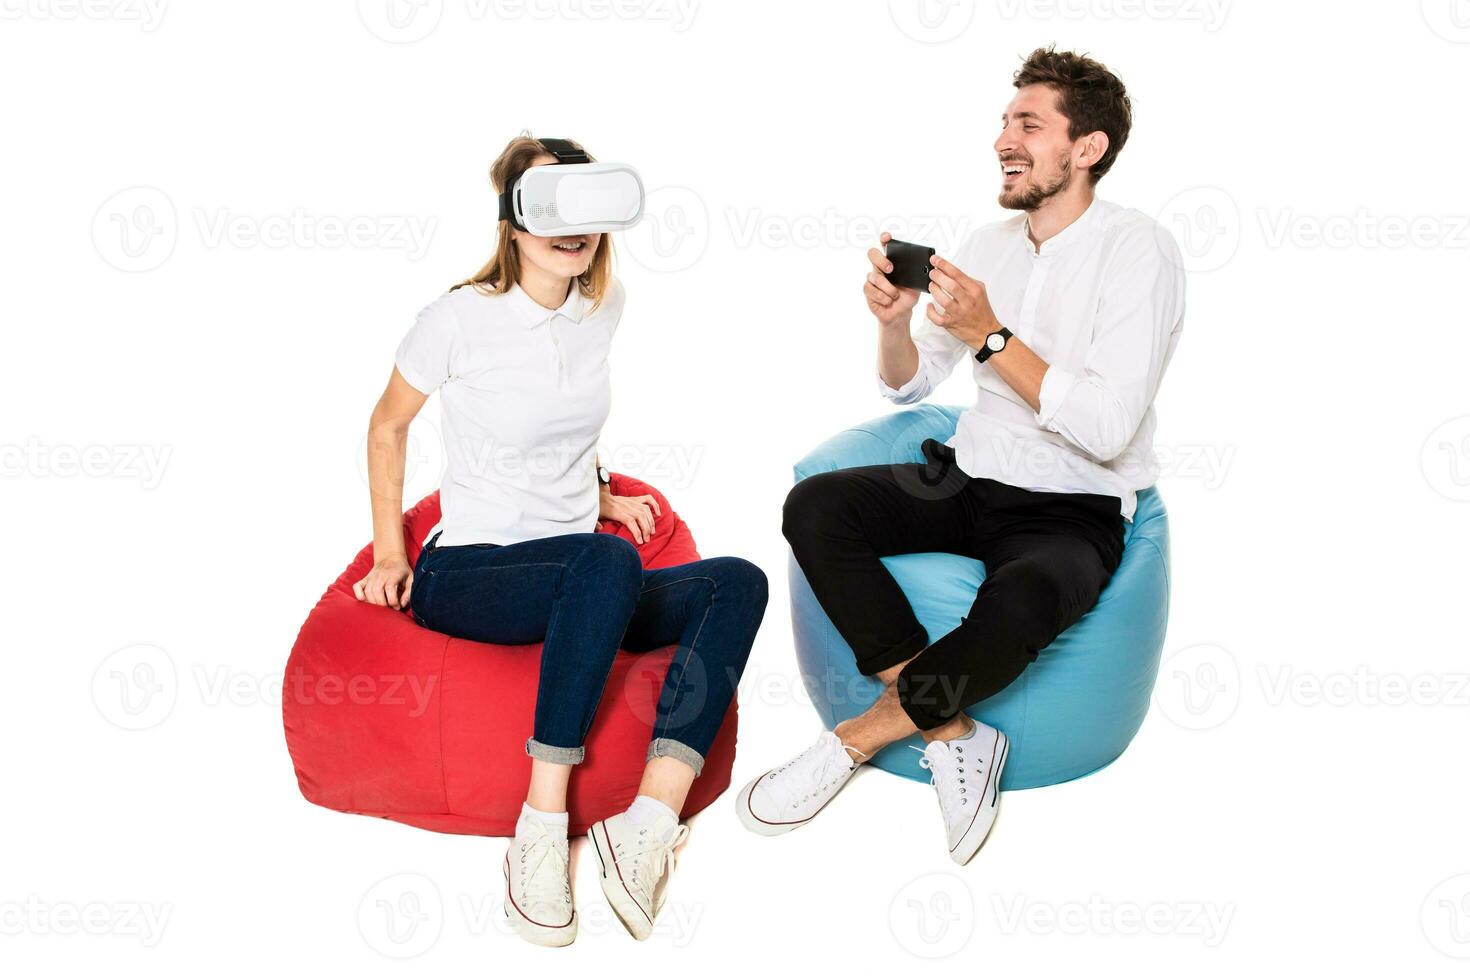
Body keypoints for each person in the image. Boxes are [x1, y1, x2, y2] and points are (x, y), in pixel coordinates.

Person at [736, 47, 1185, 865]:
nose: (1002, 141)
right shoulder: (990, 241)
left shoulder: (1139, 251)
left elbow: (1109, 425)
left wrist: (990, 332)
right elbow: (909, 389)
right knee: (815, 506)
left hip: (1074, 505)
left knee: (1022, 605)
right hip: (968, 476)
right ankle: (953, 732)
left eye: (1027, 124)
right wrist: (893, 322)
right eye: (1004, 122)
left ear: (1086, 149)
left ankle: (857, 738)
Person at [354, 135, 768, 945]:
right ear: (511, 220)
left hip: (585, 573)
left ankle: (647, 822)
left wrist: (604, 494)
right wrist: (389, 554)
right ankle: (539, 828)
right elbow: (386, 425)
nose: (568, 227)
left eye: (583, 204)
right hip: (470, 571)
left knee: (737, 581)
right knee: (603, 560)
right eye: (546, 205)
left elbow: (564, 421)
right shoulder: (457, 319)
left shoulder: (601, 305)